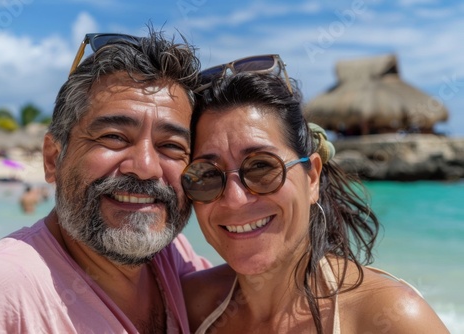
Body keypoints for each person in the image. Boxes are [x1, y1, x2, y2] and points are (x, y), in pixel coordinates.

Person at [0, 28, 211, 333]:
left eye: (171, 146)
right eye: (114, 137)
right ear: (53, 158)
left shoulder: (174, 258)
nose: (146, 167)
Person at [181, 55, 449, 333]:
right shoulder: (187, 307)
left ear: (312, 178)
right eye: (206, 174)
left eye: (261, 166)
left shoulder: (391, 318)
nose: (235, 198)